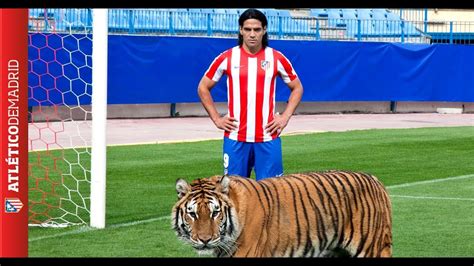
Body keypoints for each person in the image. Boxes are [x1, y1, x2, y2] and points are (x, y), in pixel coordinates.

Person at [197, 8, 303, 181]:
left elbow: (297, 87)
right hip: (235, 137)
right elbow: (203, 87)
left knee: (272, 192)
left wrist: (285, 117)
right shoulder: (227, 57)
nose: (252, 34)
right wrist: (217, 119)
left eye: (256, 29)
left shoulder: (276, 58)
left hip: (268, 136)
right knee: (234, 192)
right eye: (247, 29)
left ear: (264, 30)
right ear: (240, 30)